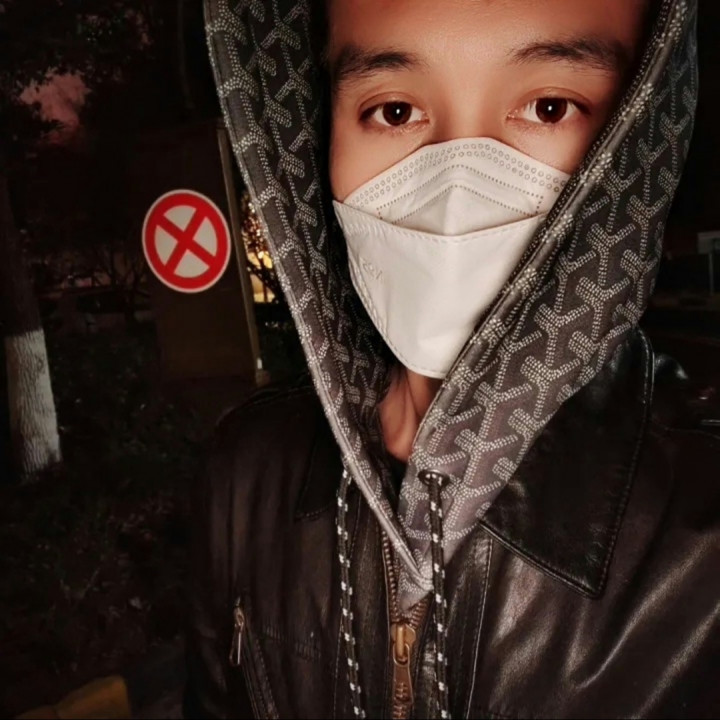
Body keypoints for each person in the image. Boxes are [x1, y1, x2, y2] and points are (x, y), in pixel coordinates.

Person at [187, 0, 720, 717]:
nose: (455, 192)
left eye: (550, 107)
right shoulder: (249, 473)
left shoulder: (702, 536)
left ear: (646, 133)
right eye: (395, 112)